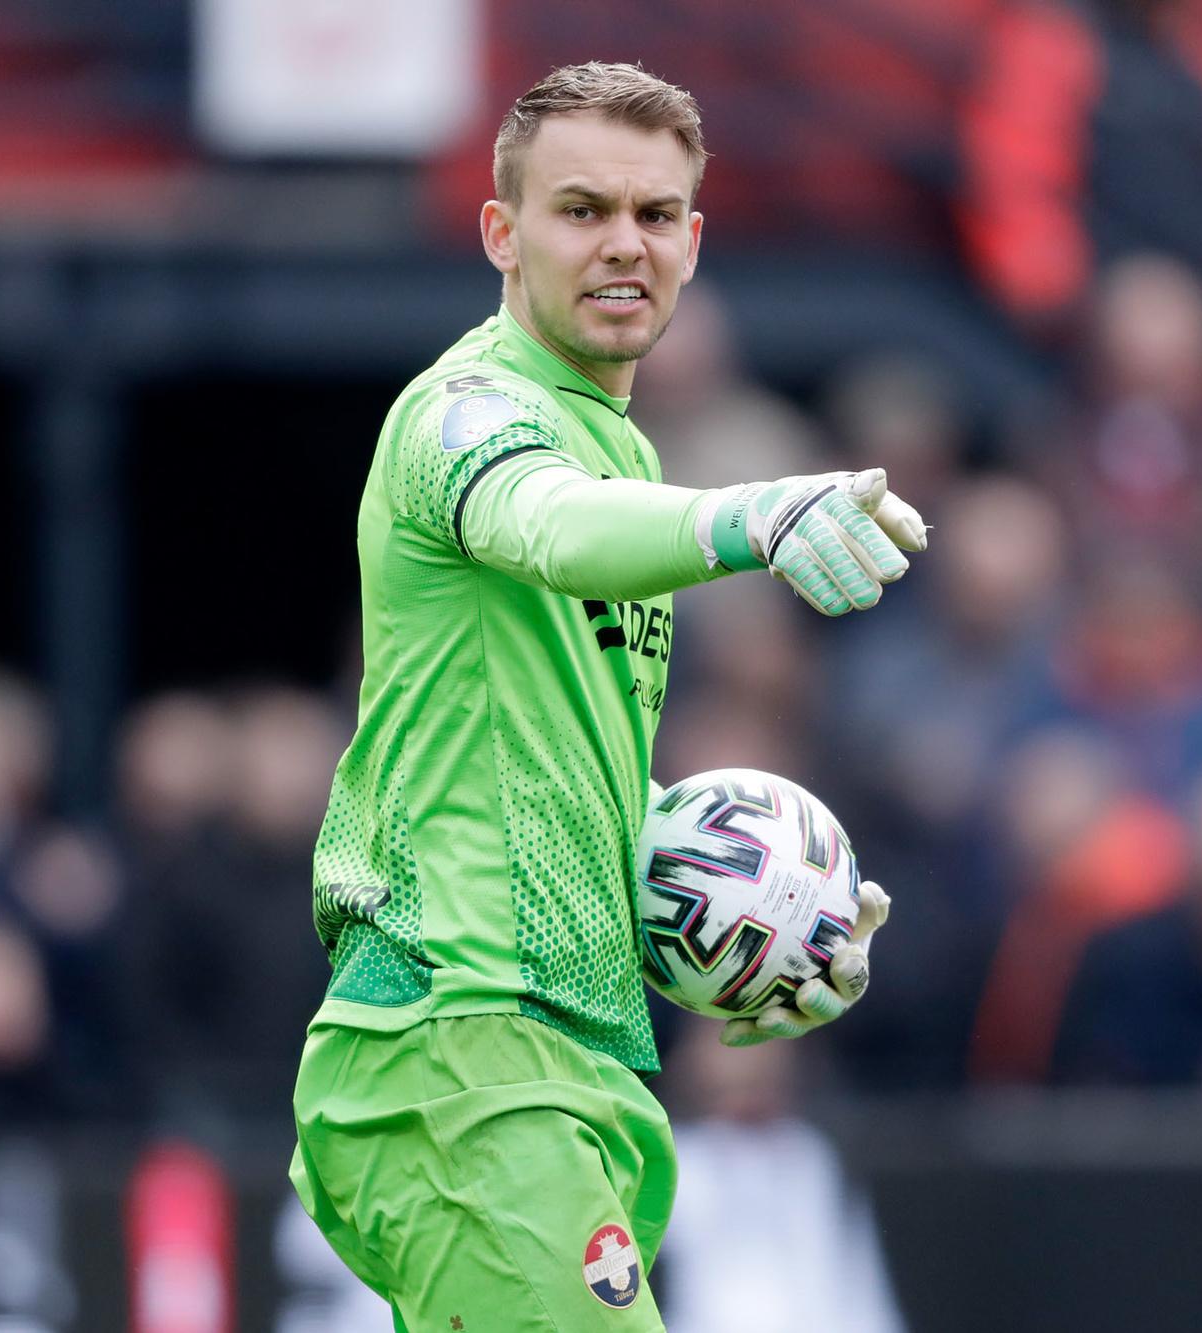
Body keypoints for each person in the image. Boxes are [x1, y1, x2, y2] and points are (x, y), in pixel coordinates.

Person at [288, 62, 925, 1333]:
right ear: (500, 234)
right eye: (579, 210)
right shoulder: (463, 410)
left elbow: (551, 787)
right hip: (455, 1048)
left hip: (564, 1061)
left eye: (652, 215)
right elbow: (552, 527)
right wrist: (751, 514)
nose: (621, 244)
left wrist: (763, 932)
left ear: (692, 242)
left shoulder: (619, 443)